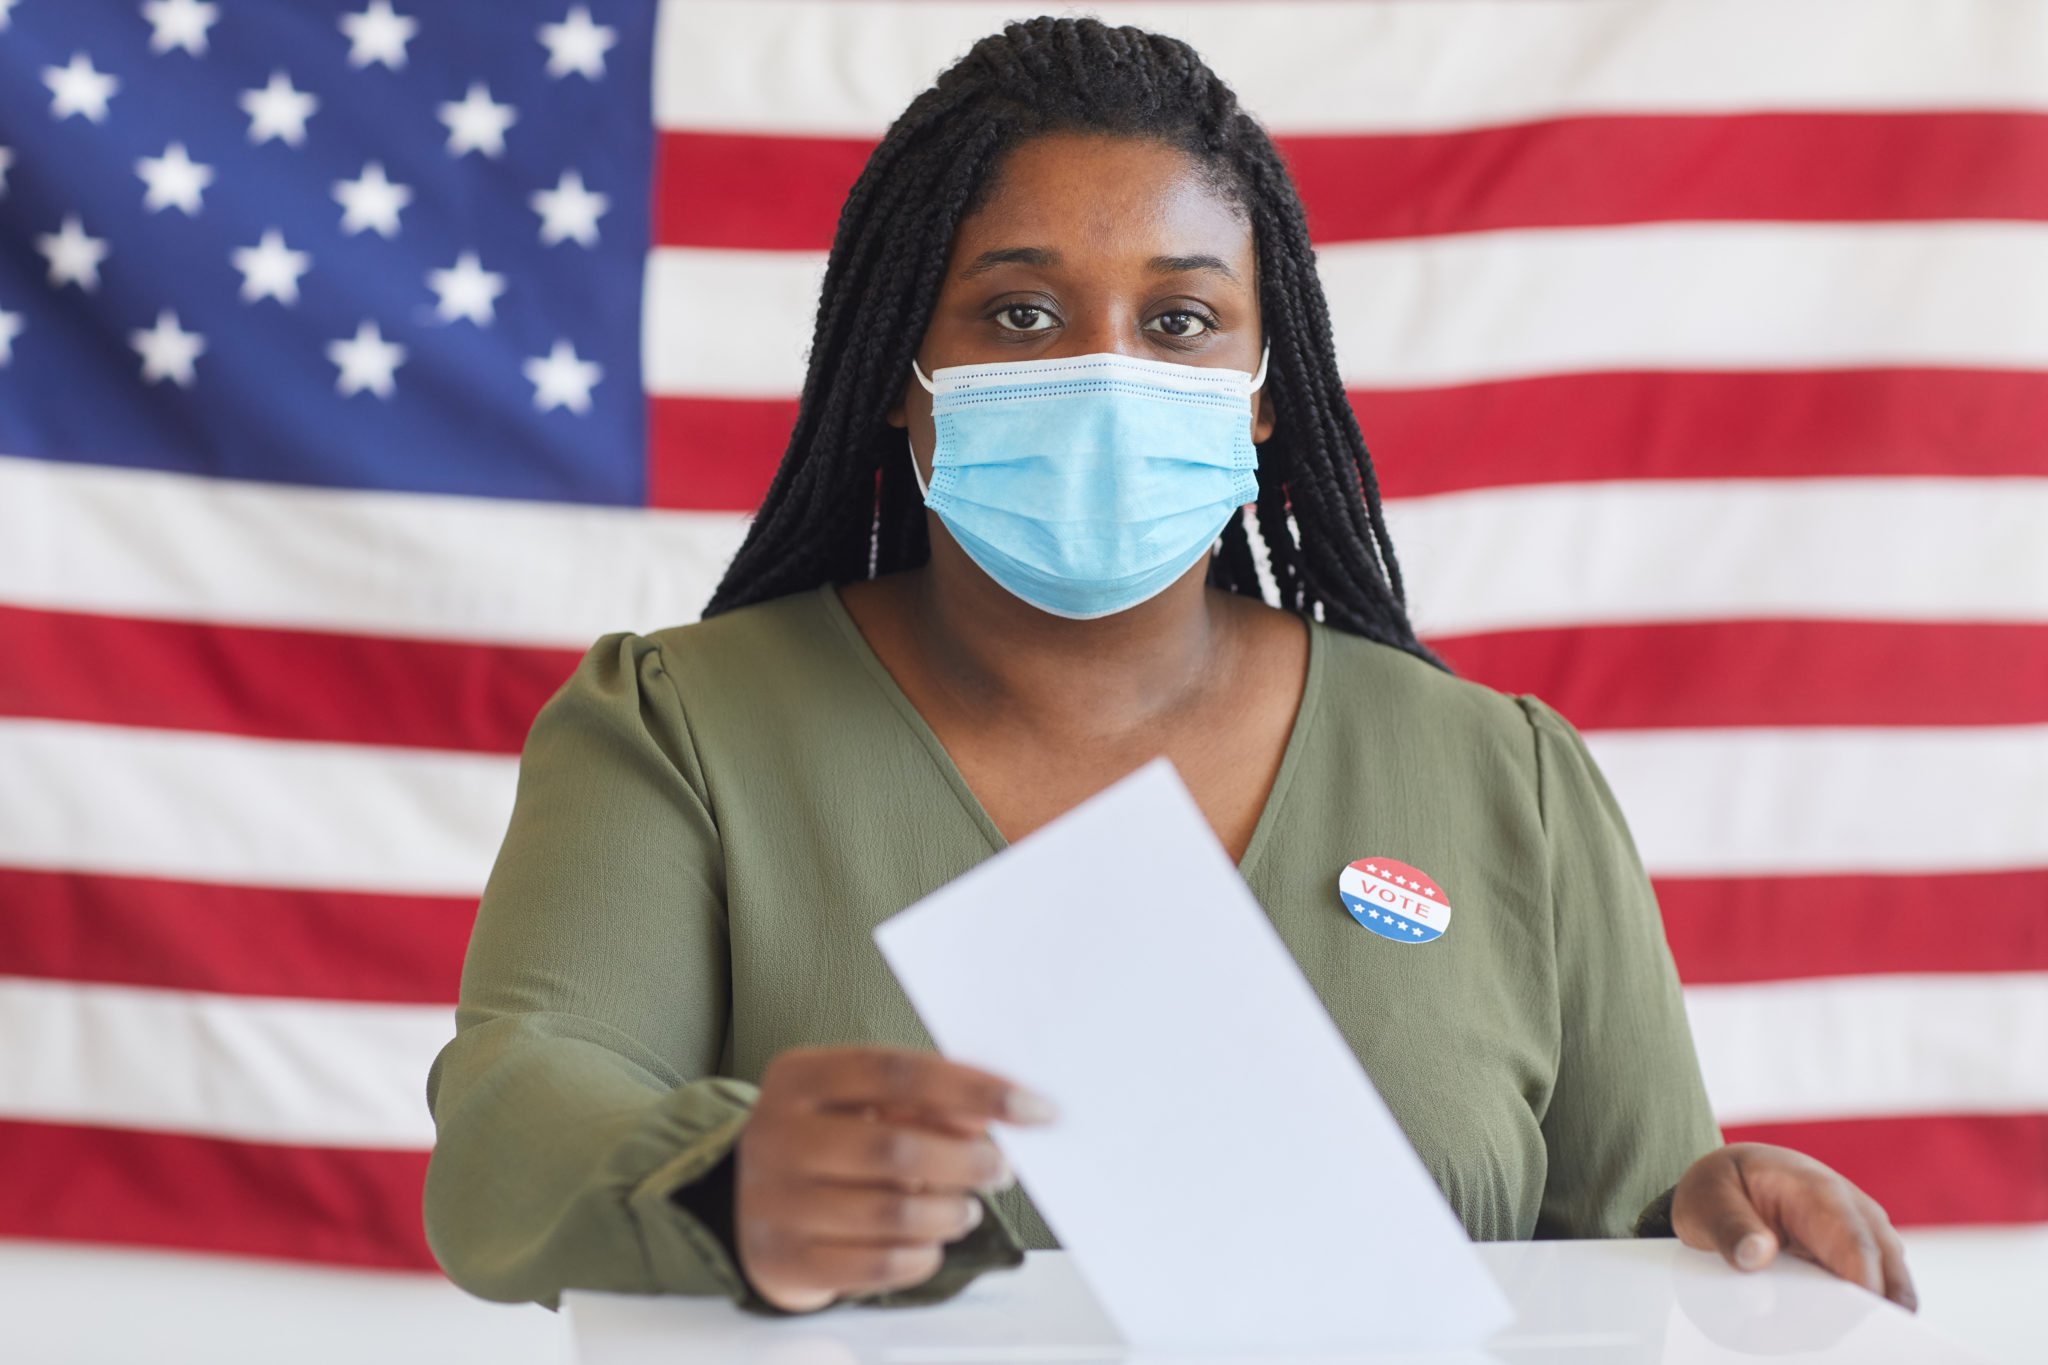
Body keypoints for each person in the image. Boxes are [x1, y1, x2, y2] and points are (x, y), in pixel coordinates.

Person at [424, 16, 1915, 1318]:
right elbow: (509, 1131)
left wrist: (1723, 1227)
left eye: (1183, 318)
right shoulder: (683, 731)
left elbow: (1633, 1250)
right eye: (1019, 312)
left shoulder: (1501, 775)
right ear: (899, 367)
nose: (1106, 370)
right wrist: (720, 1182)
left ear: (1267, 393)